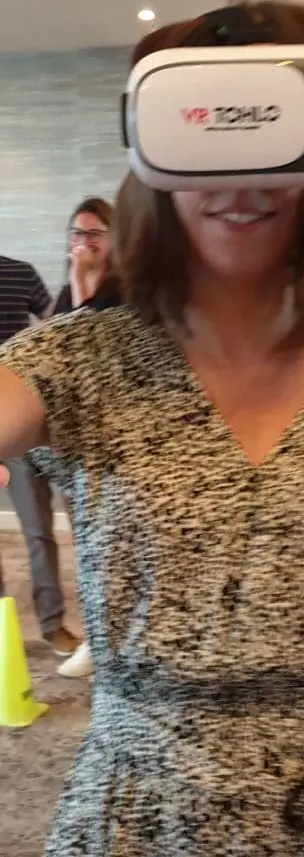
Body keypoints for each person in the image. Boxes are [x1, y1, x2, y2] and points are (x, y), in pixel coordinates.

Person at [0, 0, 304, 857]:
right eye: (212, 135)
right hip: (130, 824)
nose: (244, 182)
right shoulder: (78, 361)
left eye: (276, 136)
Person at [54, 196, 120, 679]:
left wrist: (81, 284)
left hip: (121, 436)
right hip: (79, 439)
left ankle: (113, 643)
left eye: (94, 234)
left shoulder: (129, 292)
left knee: (119, 545)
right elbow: (57, 353)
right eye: (77, 234)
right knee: (89, 543)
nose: (84, 243)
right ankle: (97, 640)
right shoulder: (66, 293)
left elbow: (93, 349)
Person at [0, 254, 77, 657]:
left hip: (22, 415)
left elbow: (55, 327)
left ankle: (52, 623)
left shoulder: (20, 272)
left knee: (37, 528)